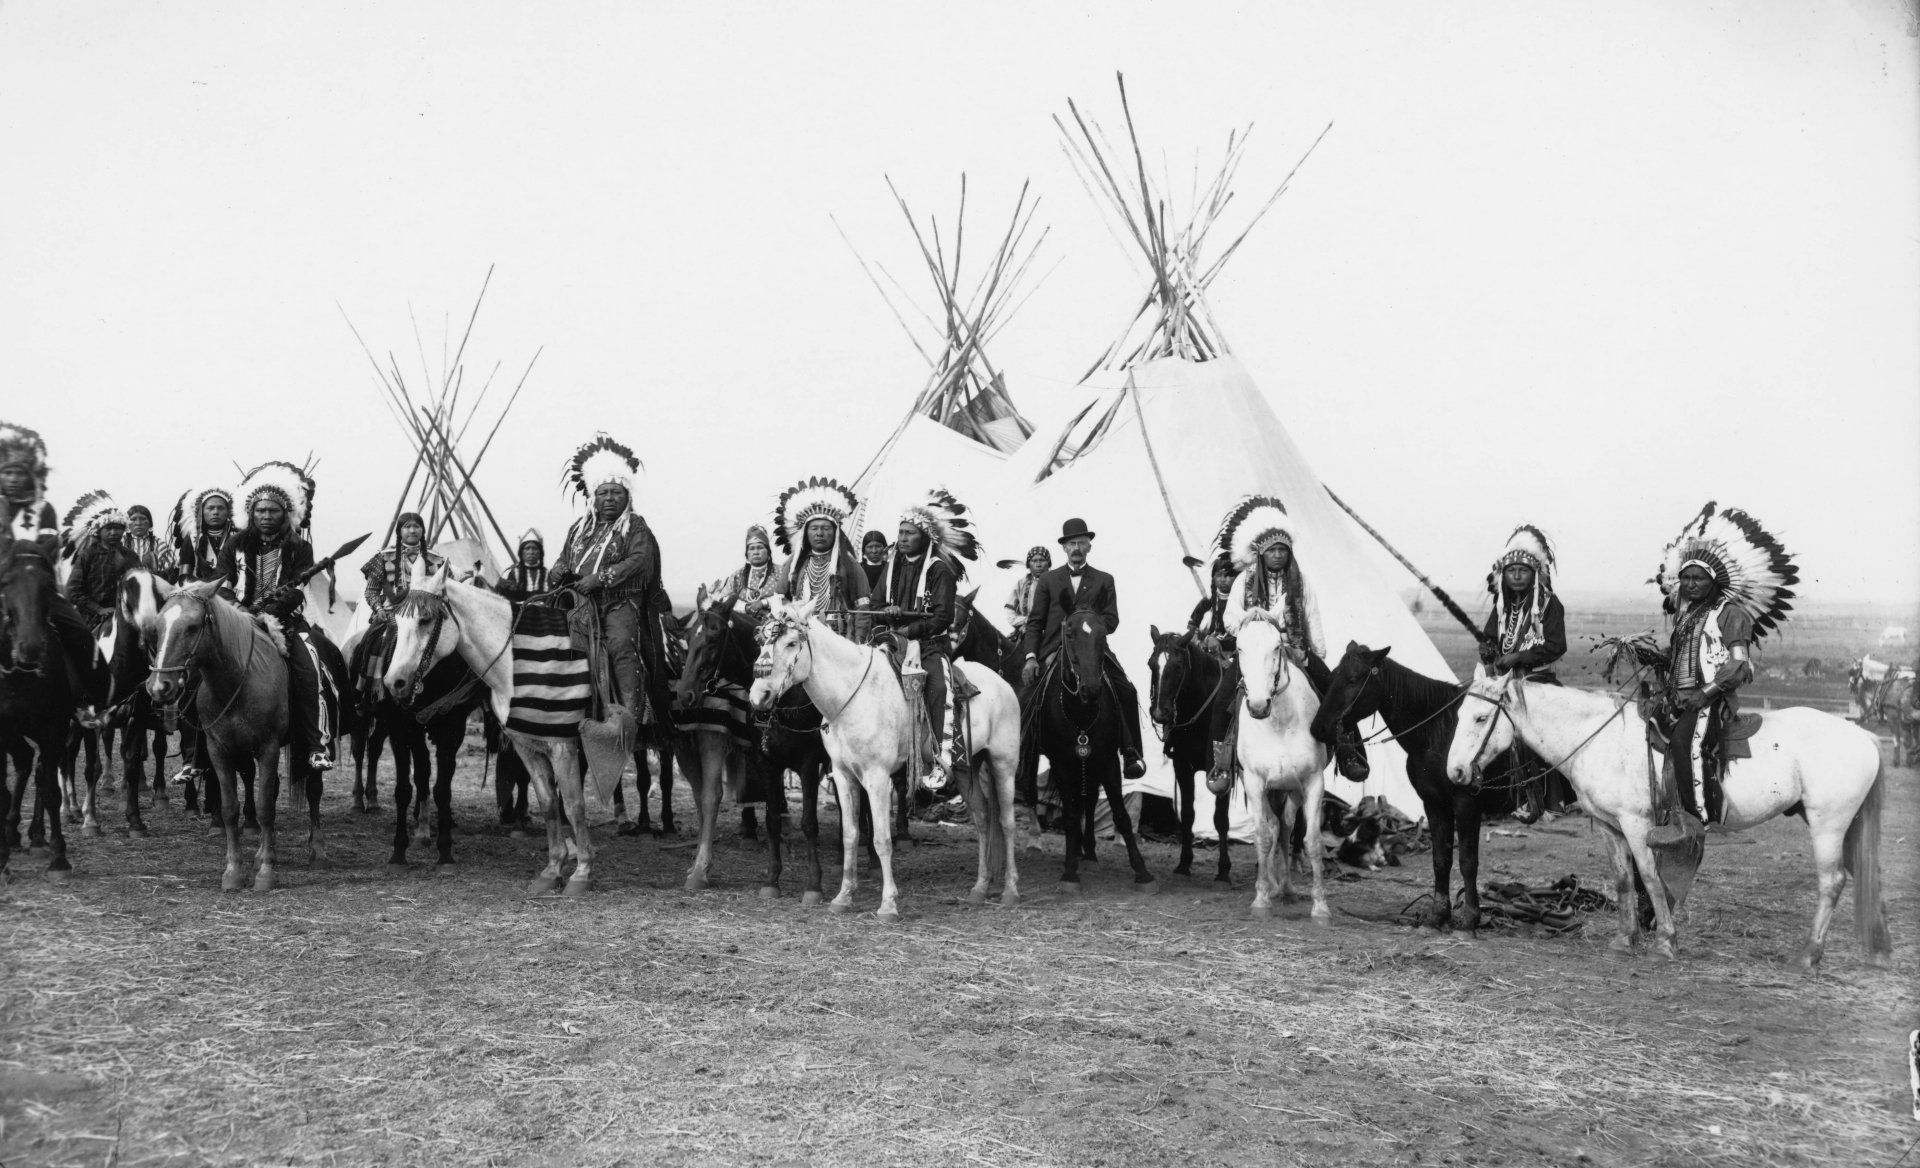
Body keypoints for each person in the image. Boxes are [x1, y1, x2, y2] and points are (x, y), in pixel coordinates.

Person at [1650, 504, 1796, 843]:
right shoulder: (1686, 615)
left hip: (1710, 699)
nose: (1690, 584)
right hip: (1681, 696)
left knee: (1689, 744)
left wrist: (1706, 693)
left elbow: (1738, 664)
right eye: (1685, 578)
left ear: (1714, 581)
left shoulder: (1731, 614)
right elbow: (1682, 657)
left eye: (1698, 578)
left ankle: (1700, 820)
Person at [1214, 495, 1369, 782]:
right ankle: (1222, 763)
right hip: (1256, 651)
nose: (1277, 555)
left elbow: (1311, 615)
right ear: (1261, 553)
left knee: (1333, 690)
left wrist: (1316, 650)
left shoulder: (1301, 581)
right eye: (1272, 550)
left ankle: (1348, 752)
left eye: (1283, 550)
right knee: (1223, 695)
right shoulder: (1244, 580)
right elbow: (1230, 616)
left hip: (1294, 648)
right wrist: (1248, 623)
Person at [550, 433, 674, 737]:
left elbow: (639, 561)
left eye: (615, 492)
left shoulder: (636, 526)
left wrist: (600, 578)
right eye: (603, 492)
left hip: (619, 603)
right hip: (578, 603)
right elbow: (562, 558)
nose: (609, 498)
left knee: (620, 645)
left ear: (626, 496)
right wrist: (558, 572)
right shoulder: (578, 529)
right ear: (594, 496)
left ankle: (630, 721)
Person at [216, 461, 336, 771]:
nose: (266, 516)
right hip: (236, 621)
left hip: (286, 622)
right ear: (251, 514)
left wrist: (268, 612)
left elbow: (297, 590)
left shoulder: (300, 548)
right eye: (260, 511)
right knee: (198, 667)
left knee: (311, 668)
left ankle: (316, 745)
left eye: (273, 511)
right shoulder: (233, 545)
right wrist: (237, 609)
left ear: (285, 514)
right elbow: (219, 583)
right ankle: (197, 754)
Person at [1019, 517, 1148, 779]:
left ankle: (1131, 752)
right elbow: (1035, 622)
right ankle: (1024, 759)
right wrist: (1031, 657)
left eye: (1081, 543)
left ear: (1089, 547)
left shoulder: (1104, 579)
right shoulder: (1048, 580)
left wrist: (1090, 626)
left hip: (1092, 649)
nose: (1076, 548)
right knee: (1027, 696)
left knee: (1125, 688)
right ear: (1064, 548)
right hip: (1054, 649)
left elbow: (1111, 620)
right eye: (1071, 544)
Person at [871, 489, 977, 787]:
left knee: (938, 688)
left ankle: (941, 759)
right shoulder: (891, 566)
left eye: (909, 533)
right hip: (890, 643)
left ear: (925, 537)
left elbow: (941, 618)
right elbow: (875, 607)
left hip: (928, 647)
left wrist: (907, 631)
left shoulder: (939, 570)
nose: (902, 538)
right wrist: (887, 613)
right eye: (900, 532)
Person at [1, 421, 108, 714]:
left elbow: (47, 552)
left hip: (38, 589)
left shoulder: (43, 509)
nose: (11, 479)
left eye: (18, 473)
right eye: (6, 472)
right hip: (2, 588)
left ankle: (91, 701)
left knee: (79, 632)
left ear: (30, 476)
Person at [1476, 525, 1572, 813]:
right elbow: (1490, 638)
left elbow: (1557, 646)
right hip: (1503, 679)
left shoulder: (1550, 604)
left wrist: (1518, 657)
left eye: (1523, 570)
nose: (1516, 575)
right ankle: (1498, 797)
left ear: (1535, 574)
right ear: (1502, 574)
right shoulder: (1502, 604)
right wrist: (1490, 653)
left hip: (1538, 679)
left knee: (1531, 734)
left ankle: (1542, 797)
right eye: (1511, 570)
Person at [770, 477, 871, 636]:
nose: (820, 534)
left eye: (825, 528)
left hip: (838, 636)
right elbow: (779, 599)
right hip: (801, 632)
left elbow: (862, 607)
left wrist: (859, 641)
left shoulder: (848, 564)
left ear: (835, 532)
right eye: (814, 528)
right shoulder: (795, 563)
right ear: (805, 533)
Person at [63, 494, 139, 631]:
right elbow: (72, 591)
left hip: (128, 619)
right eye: (108, 528)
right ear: (99, 531)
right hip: (92, 620)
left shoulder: (131, 556)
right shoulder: (88, 556)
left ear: (124, 530)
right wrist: (99, 609)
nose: (113, 532)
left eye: (118, 528)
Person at [359, 511, 444, 624]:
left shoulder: (436, 559)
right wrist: (378, 609)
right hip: (391, 614)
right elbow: (371, 591)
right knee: (370, 640)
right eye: (407, 527)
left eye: (417, 526)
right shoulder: (384, 556)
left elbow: (449, 590)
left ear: (423, 530)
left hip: (429, 616)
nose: (412, 531)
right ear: (399, 531)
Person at [169, 485, 236, 583]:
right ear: (201, 512)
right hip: (200, 592)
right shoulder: (192, 539)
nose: (215, 512)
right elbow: (184, 577)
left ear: (228, 512)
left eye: (221, 508)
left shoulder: (237, 538)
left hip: (233, 591)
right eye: (210, 508)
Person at [714, 524, 780, 619]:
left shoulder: (780, 572)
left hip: (775, 625)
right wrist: (746, 607)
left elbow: (787, 598)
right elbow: (724, 599)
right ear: (747, 554)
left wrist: (763, 603)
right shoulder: (738, 576)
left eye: (760, 548)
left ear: (768, 552)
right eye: (752, 548)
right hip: (742, 625)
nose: (756, 552)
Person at [1185, 553, 1237, 650]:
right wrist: (1203, 640)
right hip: (1211, 651)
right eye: (1218, 575)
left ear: (1236, 577)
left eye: (1227, 575)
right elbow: (1192, 628)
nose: (1222, 580)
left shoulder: (1242, 602)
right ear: (1213, 578)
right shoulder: (1208, 602)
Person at [1004, 546, 1052, 634]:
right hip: (1026, 630)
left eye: (1042, 560)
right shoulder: (1021, 584)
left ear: (1048, 563)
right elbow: (1010, 610)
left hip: (1052, 631)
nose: (1038, 564)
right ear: (1028, 564)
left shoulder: (1057, 581)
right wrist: (1025, 620)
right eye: (1034, 561)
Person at [496, 529, 551, 606]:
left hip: (542, 614)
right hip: (516, 614)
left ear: (540, 552)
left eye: (534, 548)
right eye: (527, 548)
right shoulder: (511, 573)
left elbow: (551, 598)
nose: (531, 552)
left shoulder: (546, 573)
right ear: (521, 552)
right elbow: (502, 600)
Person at [122, 504, 176, 578]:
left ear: (150, 523)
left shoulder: (160, 545)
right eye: (133, 519)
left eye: (143, 519)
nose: (138, 523)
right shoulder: (121, 543)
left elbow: (171, 572)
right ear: (127, 524)